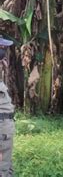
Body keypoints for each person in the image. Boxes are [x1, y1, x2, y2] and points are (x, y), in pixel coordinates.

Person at [0, 36, 14, 177]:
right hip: (1, 128)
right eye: (2, 47)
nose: (4, 50)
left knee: (7, 166)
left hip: (5, 127)